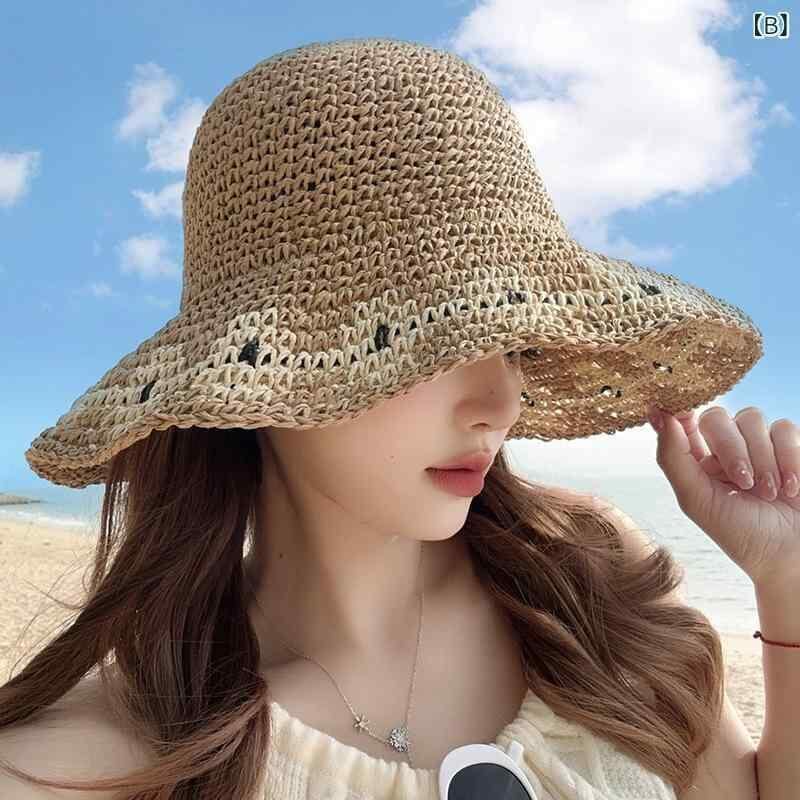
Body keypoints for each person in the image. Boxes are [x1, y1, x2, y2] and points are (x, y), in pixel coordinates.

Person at [1, 36, 790, 800]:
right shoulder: (97, 765)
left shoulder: (587, 576)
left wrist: (786, 581)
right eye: (430, 340)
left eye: (514, 344)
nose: (500, 405)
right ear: (271, 365)